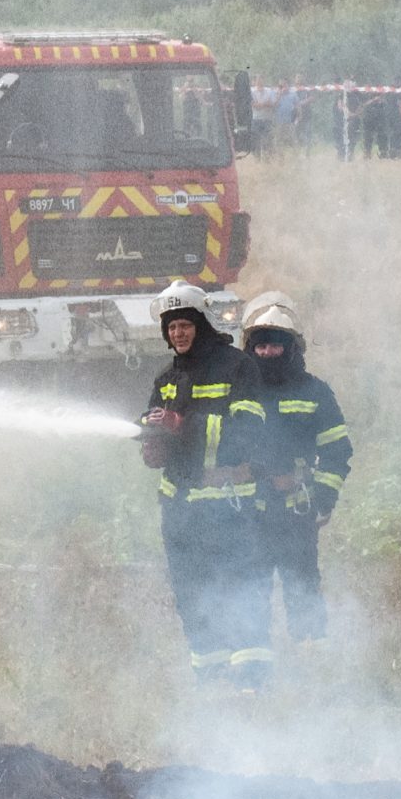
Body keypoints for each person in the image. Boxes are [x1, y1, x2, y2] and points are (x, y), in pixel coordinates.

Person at [138, 281, 273, 688]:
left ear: (201, 324)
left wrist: (184, 426)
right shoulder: (166, 378)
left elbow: (247, 430)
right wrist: (153, 443)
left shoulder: (237, 368)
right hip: (180, 509)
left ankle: (251, 678)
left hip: (229, 504)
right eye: (171, 327)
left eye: (184, 325)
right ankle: (211, 677)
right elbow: (152, 422)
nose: (178, 333)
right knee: (191, 592)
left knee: (240, 586)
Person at [241, 297, 353, 653]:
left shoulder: (315, 392)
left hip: (296, 511)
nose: (267, 352)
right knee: (249, 592)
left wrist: (323, 499)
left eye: (275, 344)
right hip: (249, 514)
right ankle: (256, 661)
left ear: (291, 348)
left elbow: (337, 451)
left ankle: (310, 655)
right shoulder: (239, 393)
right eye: (260, 346)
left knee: (303, 586)